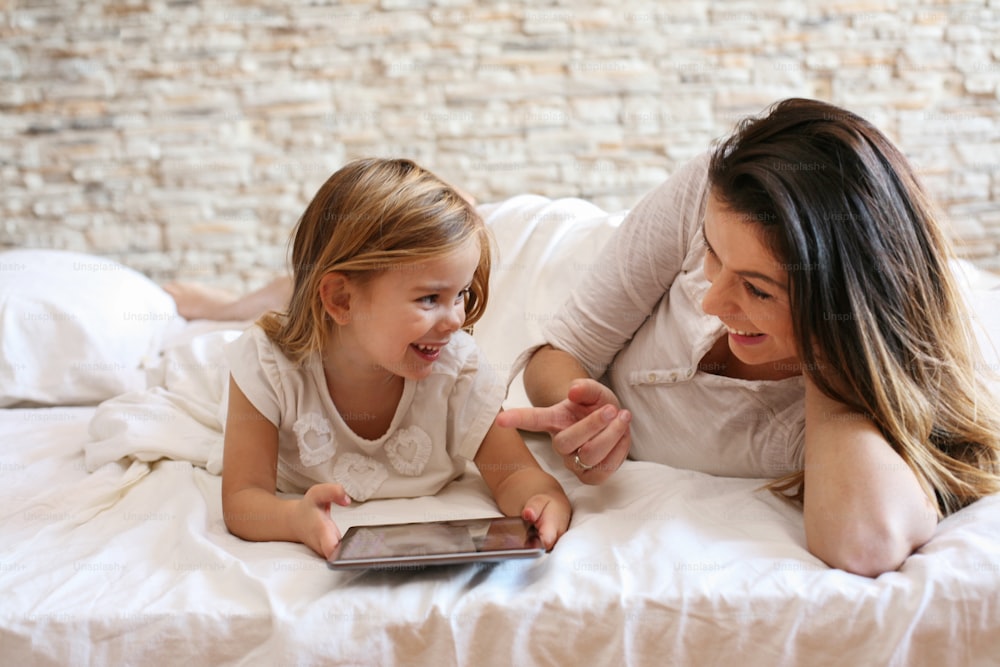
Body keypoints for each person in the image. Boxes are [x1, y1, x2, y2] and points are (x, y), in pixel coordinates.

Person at [495, 97, 1000, 577]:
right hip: (552, 255)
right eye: (714, 255)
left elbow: (865, 542)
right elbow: (560, 351)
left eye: (758, 290)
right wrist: (583, 408)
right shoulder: (711, 191)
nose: (711, 303)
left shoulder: (848, 418)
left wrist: (827, 352)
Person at [221, 157, 571, 559]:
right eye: (430, 298)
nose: (456, 319)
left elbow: (517, 476)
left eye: (461, 294)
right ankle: (227, 306)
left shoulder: (457, 369)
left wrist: (543, 498)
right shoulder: (268, 364)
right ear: (341, 299)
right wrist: (292, 518)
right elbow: (243, 499)